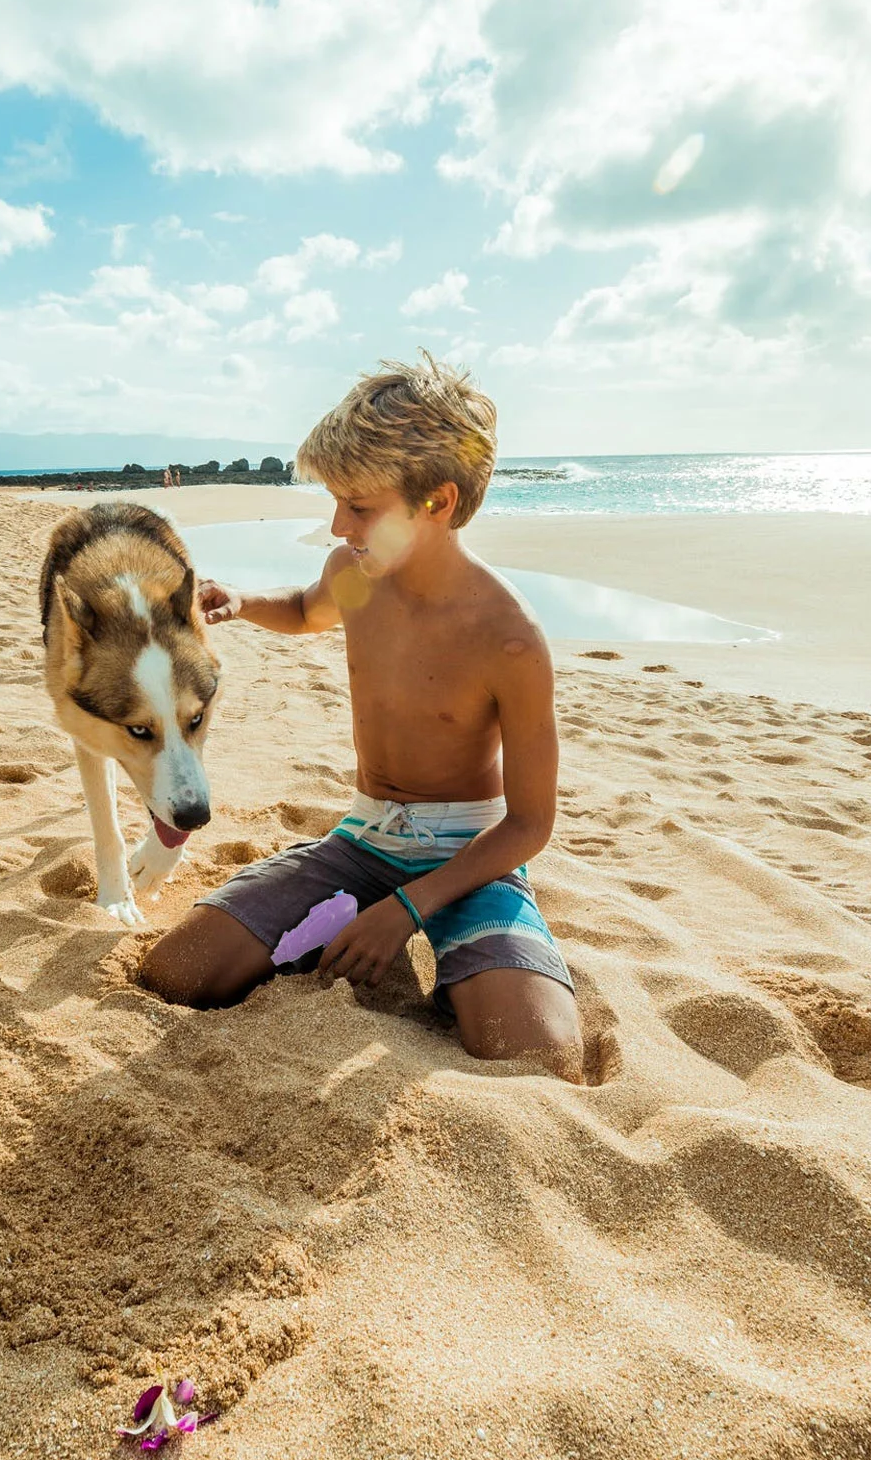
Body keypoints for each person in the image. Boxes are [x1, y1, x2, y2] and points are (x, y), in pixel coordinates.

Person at [138, 355, 581, 1079]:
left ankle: (457, 953)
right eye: (336, 503)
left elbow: (529, 823)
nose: (338, 525)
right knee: (176, 974)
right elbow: (309, 610)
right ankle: (333, 926)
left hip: (467, 860)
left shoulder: (509, 637)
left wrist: (409, 908)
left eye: (360, 506)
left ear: (436, 503)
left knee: (538, 1054)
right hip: (364, 839)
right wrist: (245, 601)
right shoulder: (353, 574)